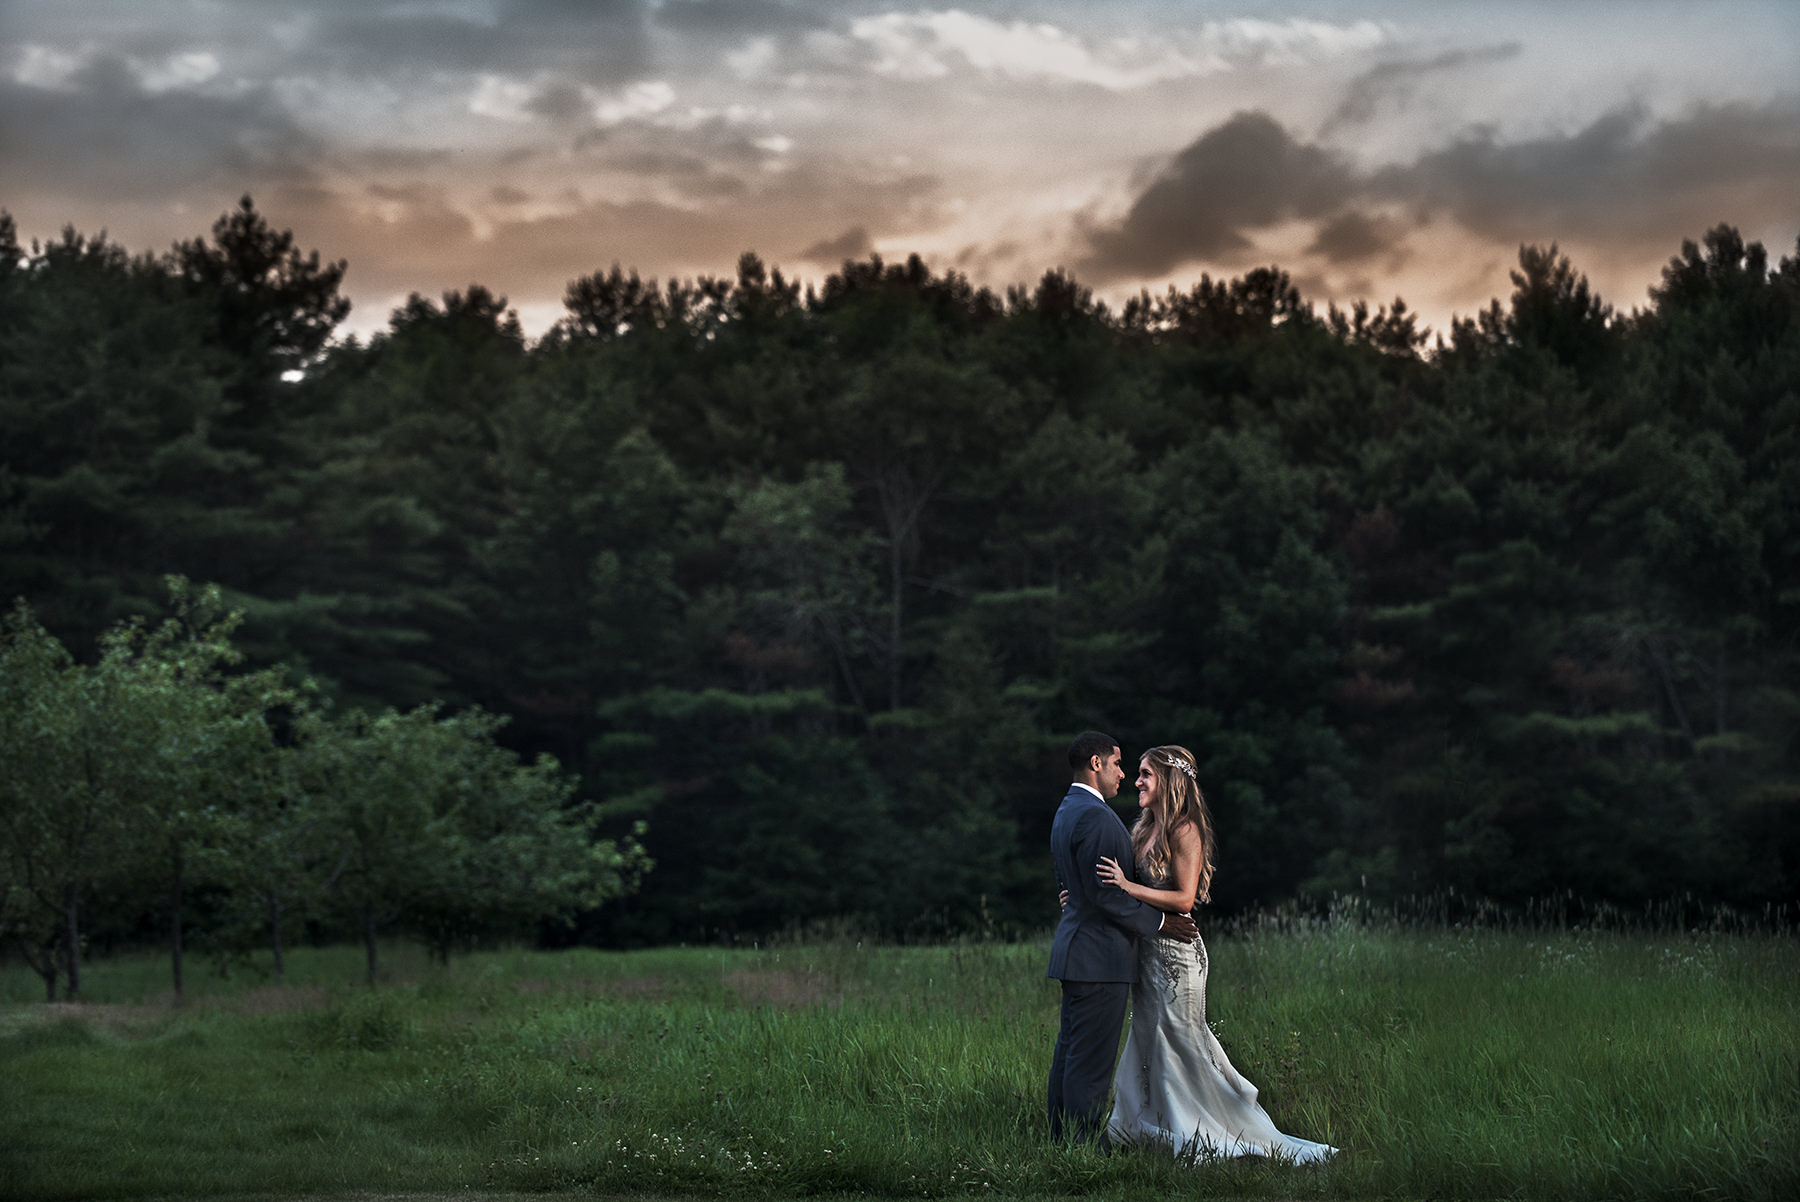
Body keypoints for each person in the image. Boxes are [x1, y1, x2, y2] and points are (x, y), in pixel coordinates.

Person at [1095, 744, 1336, 1163]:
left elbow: (1185, 898)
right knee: (1149, 1036)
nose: (1136, 781)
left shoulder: (1185, 828)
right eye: (1136, 773)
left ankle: (1207, 1127)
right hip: (1148, 954)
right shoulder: (1143, 827)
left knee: (1181, 1041)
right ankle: (1151, 1125)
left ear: (1167, 782)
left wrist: (1128, 887)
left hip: (1178, 956)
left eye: (1146, 774)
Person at [1047, 730, 1198, 1146]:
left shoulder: (1068, 808)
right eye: (1117, 764)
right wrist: (1163, 924)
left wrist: (1075, 898)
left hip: (1080, 952)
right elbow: (1107, 895)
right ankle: (1081, 1146)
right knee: (1090, 1060)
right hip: (1099, 956)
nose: (1123, 775)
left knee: (1071, 1052)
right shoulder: (1096, 816)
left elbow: (1077, 883)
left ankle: (1061, 1139)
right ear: (1097, 764)